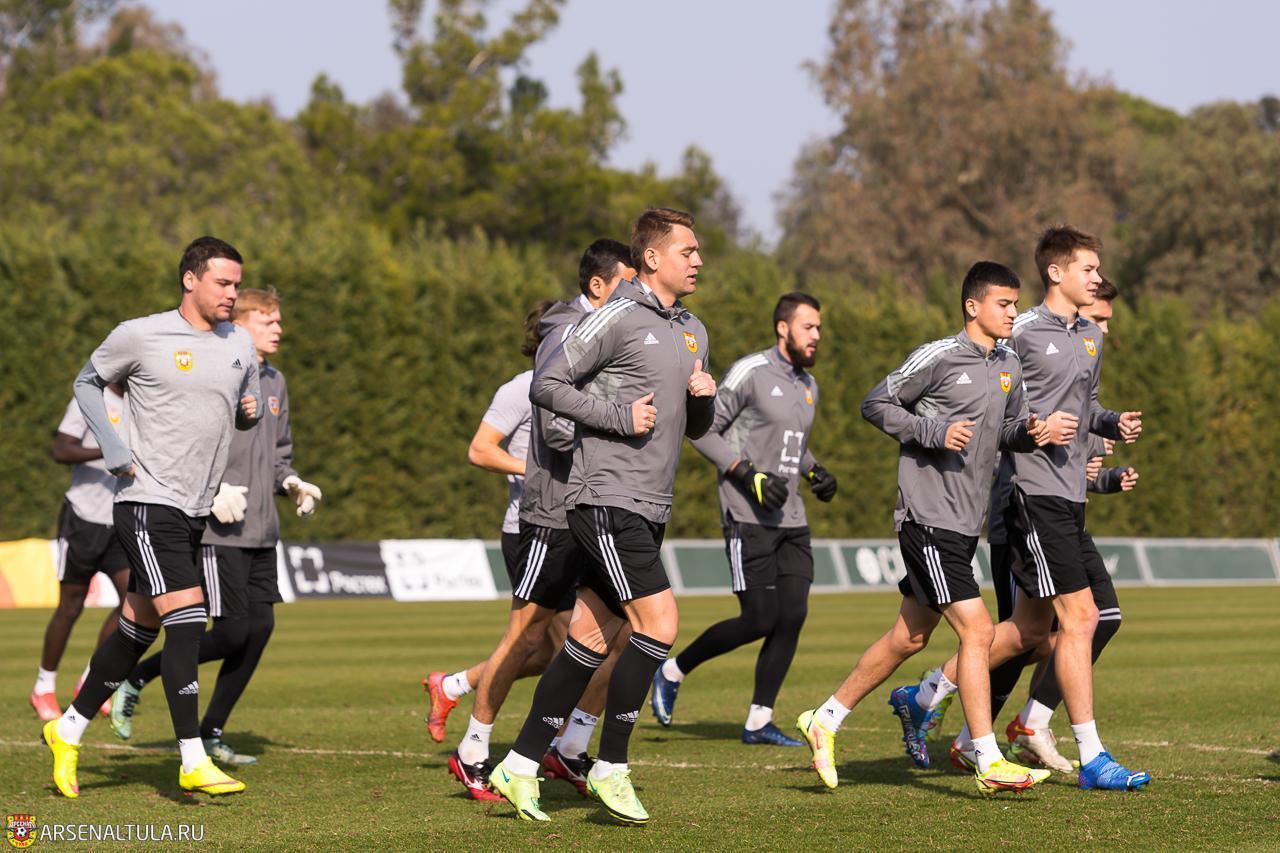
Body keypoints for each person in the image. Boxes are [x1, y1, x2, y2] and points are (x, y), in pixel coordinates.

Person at [901, 227, 1150, 792]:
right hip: (1030, 494)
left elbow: (1086, 405)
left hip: (1070, 494)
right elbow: (1005, 407)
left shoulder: (1091, 336)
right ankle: (1090, 755)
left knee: (1029, 630)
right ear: (1056, 273)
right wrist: (1034, 428)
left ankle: (926, 693)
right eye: (1088, 268)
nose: (1097, 278)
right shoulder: (1023, 333)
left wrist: (1112, 423)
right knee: (1084, 617)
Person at [488, 208, 715, 825]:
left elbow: (695, 428)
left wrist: (705, 400)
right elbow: (546, 383)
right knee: (660, 624)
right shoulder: (616, 315)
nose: (698, 260)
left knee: (589, 639)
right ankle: (611, 764)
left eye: (698, 251)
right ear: (652, 258)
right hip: (604, 497)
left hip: (650, 502)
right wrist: (617, 418)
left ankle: (519, 764)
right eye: (688, 251)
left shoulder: (693, 330)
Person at [794, 261, 1050, 795]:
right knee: (978, 631)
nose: (1013, 313)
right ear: (973, 306)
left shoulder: (1009, 364)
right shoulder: (939, 356)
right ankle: (987, 759)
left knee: (908, 637)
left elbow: (1007, 431)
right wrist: (934, 431)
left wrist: (1032, 432)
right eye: (1004, 304)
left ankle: (825, 718)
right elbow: (875, 403)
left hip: (964, 523)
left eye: (1015, 303)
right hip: (927, 517)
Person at [41, 236, 261, 799]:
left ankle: (67, 729)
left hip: (194, 508)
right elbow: (86, 382)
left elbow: (240, 411)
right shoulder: (140, 334)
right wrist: (113, 447)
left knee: (137, 627)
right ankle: (192, 758)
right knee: (187, 618)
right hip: (145, 500)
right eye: (223, 283)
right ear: (190, 279)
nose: (232, 294)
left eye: (237, 284)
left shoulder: (240, 344)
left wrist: (248, 413)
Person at [434, 240, 641, 802]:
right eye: (626, 282)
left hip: (597, 509)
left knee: (622, 632)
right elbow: (555, 427)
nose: (635, 294)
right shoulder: (566, 332)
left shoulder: (617, 332)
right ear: (598, 285)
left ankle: (569, 746)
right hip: (552, 513)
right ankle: (473, 750)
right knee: (525, 636)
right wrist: (622, 422)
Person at [107, 287, 321, 767]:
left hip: (262, 527)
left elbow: (279, 451)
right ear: (240, 326)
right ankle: (137, 677)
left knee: (259, 629)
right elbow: (190, 439)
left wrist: (291, 482)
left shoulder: (276, 381)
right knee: (230, 633)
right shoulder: (216, 371)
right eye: (269, 321)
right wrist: (215, 487)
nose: (279, 329)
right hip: (216, 527)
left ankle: (211, 731)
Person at [651, 292, 836, 746]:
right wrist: (745, 474)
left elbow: (792, 443)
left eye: (818, 327)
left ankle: (759, 721)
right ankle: (673, 670)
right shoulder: (750, 372)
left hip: (791, 518)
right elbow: (702, 430)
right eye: (808, 326)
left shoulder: (809, 384)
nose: (816, 334)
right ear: (783, 328)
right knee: (759, 618)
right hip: (747, 514)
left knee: (792, 615)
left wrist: (815, 471)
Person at [30, 385, 130, 721]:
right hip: (82, 520)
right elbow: (61, 449)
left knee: (134, 602)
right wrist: (109, 451)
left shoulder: (144, 400)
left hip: (121, 522)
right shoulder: (90, 399)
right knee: (71, 606)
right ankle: (43, 687)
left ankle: (91, 681)